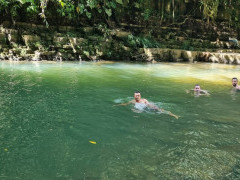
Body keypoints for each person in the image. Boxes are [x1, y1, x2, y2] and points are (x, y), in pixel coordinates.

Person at [114, 91, 179, 119]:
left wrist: (153, 107)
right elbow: (125, 104)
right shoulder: (132, 101)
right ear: (134, 96)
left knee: (160, 110)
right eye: (136, 95)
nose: (137, 96)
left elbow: (148, 104)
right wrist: (117, 105)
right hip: (142, 109)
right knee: (134, 110)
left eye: (138, 95)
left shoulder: (144, 100)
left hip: (148, 107)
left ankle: (174, 115)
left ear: (140, 96)